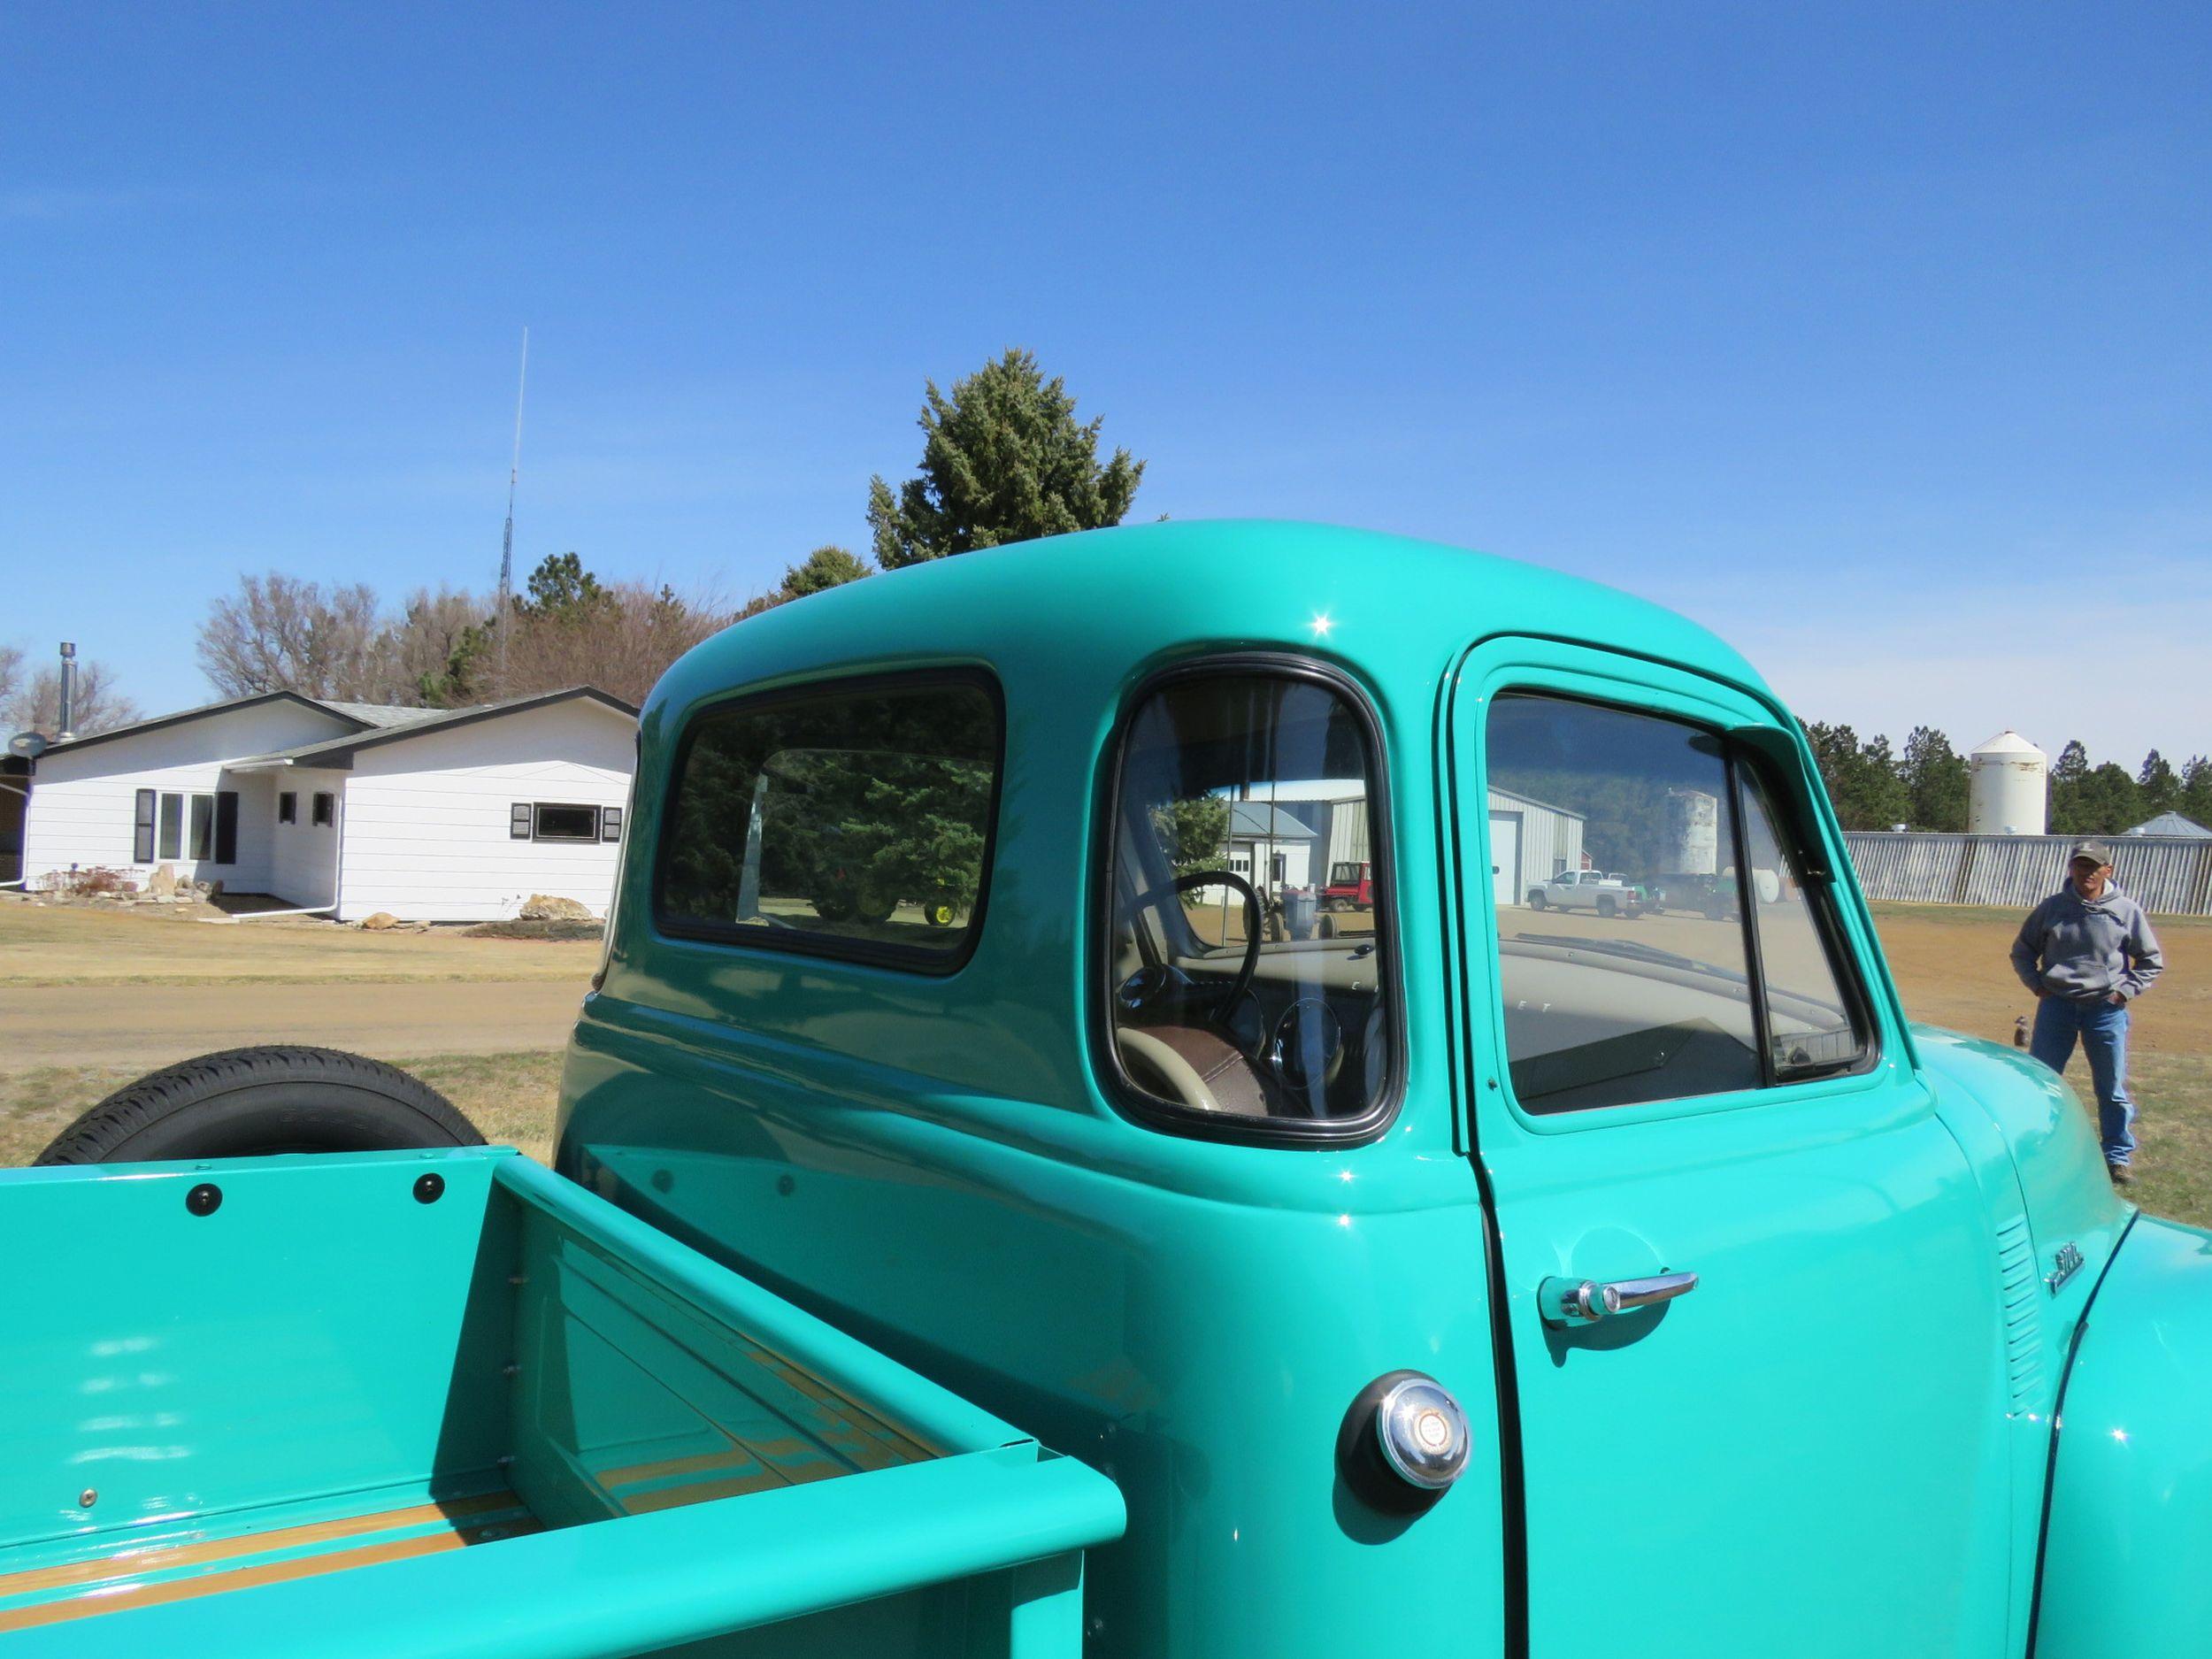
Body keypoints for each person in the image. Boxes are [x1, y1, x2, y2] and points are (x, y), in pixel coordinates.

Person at [2010, 840, 2165, 1183]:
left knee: (2111, 1089)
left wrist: (2124, 992)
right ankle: (2038, 1151)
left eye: (2094, 867)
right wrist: (2038, 985)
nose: (2086, 874)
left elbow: (2151, 961)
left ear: (2107, 871)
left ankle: (2117, 1158)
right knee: (2043, 1083)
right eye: (2080, 866)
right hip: (2057, 1008)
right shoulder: (2052, 908)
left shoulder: (2125, 910)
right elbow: (2022, 951)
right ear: (2071, 869)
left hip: (2105, 1011)